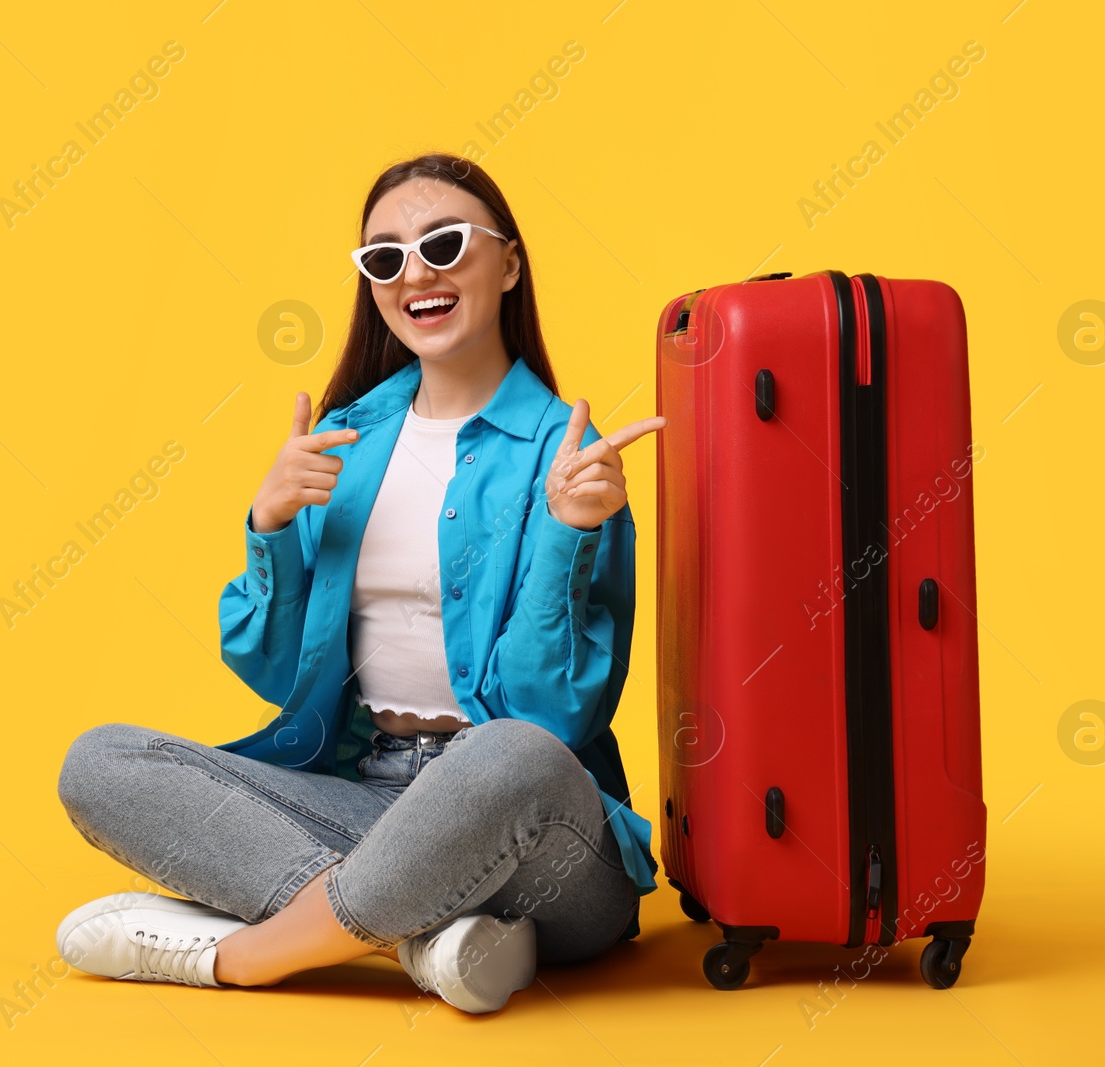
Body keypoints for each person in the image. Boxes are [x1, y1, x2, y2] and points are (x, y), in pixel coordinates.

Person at [54, 152, 667, 1014]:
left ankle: (251, 954)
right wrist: (270, 528)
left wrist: (569, 532)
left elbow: (553, 718)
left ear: (510, 263)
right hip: (368, 795)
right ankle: (428, 940)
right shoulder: (345, 442)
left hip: (542, 845)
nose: (416, 272)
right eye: (386, 258)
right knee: (103, 762)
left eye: (446, 243)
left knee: (509, 752)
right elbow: (274, 675)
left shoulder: (567, 459)